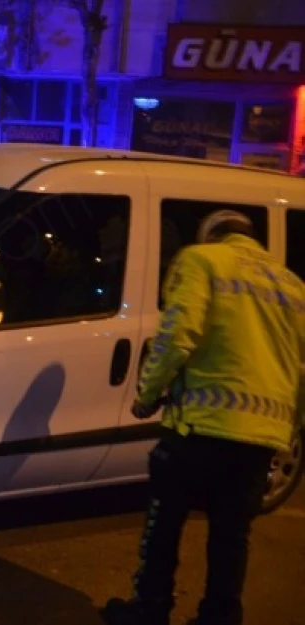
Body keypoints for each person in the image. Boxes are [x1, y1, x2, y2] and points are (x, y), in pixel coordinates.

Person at [102, 210, 305, 625]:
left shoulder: (203, 260)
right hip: (259, 435)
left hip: (199, 427)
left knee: (165, 525)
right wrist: (289, 427)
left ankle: (150, 610)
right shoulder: (293, 286)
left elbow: (178, 333)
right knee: (232, 535)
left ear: (211, 236)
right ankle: (220, 617)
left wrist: (148, 393)